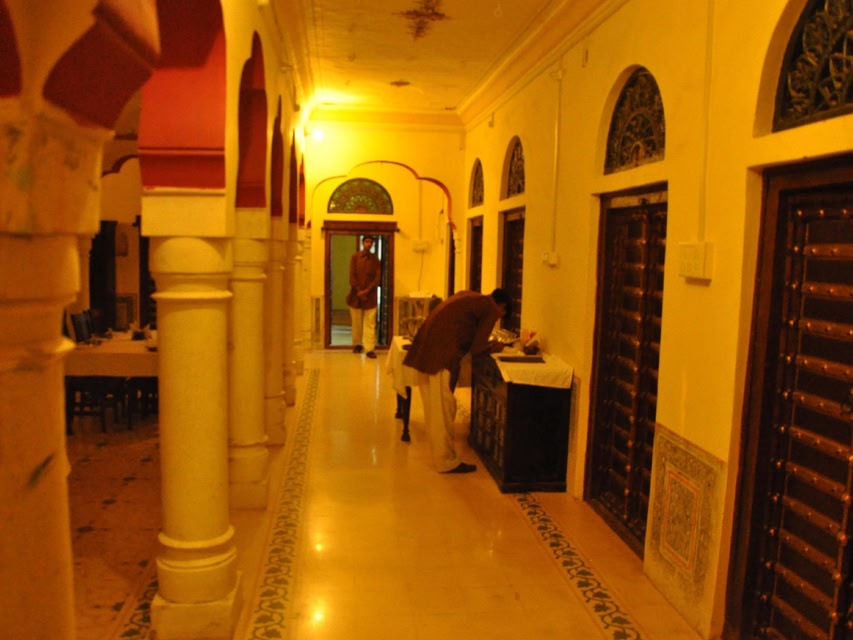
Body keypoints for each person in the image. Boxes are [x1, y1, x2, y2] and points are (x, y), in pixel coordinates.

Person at [403, 289, 511, 473]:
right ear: (502, 307)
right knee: (443, 410)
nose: (498, 317)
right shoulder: (490, 308)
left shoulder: (470, 296)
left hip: (426, 350)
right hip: (442, 356)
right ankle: (446, 461)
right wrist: (495, 346)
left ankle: (441, 455)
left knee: (434, 409)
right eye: (501, 314)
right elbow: (477, 348)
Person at [346, 235, 382, 358]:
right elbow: (352, 276)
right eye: (367, 241)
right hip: (355, 296)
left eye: (371, 242)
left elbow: (377, 278)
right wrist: (359, 291)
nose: (369, 244)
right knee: (356, 323)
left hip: (370, 297)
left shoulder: (375, 259)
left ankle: (369, 349)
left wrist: (366, 291)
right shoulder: (355, 257)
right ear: (362, 243)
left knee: (370, 323)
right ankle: (357, 345)